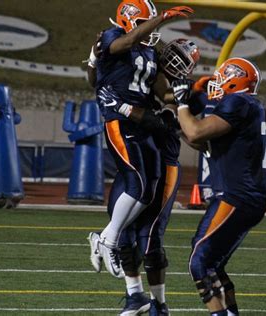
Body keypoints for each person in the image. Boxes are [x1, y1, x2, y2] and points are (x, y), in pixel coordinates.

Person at [87, 0, 194, 280]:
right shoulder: (113, 37)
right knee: (136, 184)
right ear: (129, 21)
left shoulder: (147, 51)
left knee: (146, 192)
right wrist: (160, 19)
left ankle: (105, 236)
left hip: (141, 120)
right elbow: (119, 48)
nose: (147, 32)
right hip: (118, 118)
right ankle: (108, 240)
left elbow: (162, 91)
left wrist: (180, 93)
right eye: (143, 24)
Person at [98, 38, 201, 316]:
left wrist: (123, 108)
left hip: (164, 166)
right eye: (168, 56)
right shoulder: (139, 77)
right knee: (122, 230)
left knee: (150, 238)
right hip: (139, 159)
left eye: (176, 58)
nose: (168, 61)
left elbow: (162, 122)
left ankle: (159, 304)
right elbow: (102, 81)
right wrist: (96, 59)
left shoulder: (181, 91)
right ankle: (135, 296)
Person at [172, 57, 266, 316]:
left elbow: (196, 133)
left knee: (199, 262)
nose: (216, 81)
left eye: (222, 76)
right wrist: (179, 123)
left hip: (236, 196)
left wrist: (183, 103)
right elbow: (205, 143)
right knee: (213, 263)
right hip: (243, 196)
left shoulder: (237, 102)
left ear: (235, 79)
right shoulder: (248, 104)